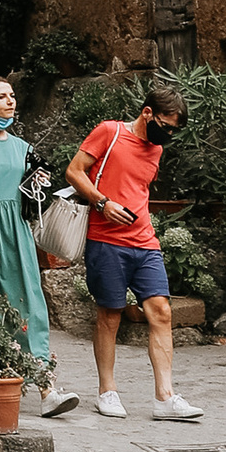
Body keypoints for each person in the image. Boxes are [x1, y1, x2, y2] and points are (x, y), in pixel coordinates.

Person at [68, 76, 203, 423]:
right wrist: (102, 203)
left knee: (161, 311)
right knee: (110, 316)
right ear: (147, 113)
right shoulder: (109, 132)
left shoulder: (156, 150)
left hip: (145, 241)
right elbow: (74, 171)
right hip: (106, 239)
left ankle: (165, 397)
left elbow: (138, 190)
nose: (168, 136)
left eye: (174, 131)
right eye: (166, 127)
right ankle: (107, 391)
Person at [0, 74, 78, 419]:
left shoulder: (24, 148)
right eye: (2, 96)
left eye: (12, 96)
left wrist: (38, 186)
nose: (11, 102)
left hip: (17, 230)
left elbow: (30, 199)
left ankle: (47, 388)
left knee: (31, 304)